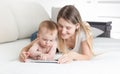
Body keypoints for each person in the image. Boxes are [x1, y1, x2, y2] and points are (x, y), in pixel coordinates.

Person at [19, 5, 93, 63]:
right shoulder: (55, 32)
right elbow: (26, 48)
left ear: (77, 26)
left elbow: (88, 56)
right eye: (60, 26)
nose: (63, 31)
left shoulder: (82, 34)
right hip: (41, 35)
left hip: (53, 43)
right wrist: (23, 53)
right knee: (40, 36)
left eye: (68, 28)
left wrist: (73, 55)